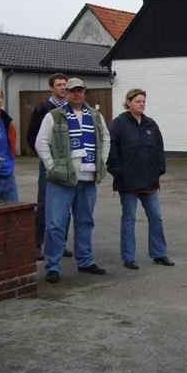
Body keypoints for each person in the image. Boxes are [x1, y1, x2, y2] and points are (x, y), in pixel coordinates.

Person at [35, 77, 111, 283]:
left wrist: (101, 163)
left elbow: (105, 139)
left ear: (84, 92)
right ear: (66, 93)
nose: (77, 94)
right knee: (55, 224)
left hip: (87, 179)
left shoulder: (95, 116)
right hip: (61, 180)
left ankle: (85, 261)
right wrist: (52, 167)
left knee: (85, 222)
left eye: (80, 90)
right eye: (72, 90)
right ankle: (53, 265)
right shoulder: (54, 116)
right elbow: (41, 143)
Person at [107, 89, 174, 269]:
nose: (142, 104)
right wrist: (118, 172)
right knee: (129, 219)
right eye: (138, 101)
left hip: (149, 181)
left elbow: (159, 149)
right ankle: (128, 257)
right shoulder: (118, 124)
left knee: (156, 217)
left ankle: (159, 253)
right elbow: (111, 151)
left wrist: (160, 169)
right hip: (127, 182)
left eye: (143, 101)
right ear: (128, 103)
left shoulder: (150, 124)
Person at [26, 73, 72, 258]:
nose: (63, 87)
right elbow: (32, 136)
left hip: (68, 163)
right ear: (51, 88)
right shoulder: (43, 108)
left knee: (66, 204)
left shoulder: (71, 108)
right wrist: (45, 157)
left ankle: (60, 243)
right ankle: (37, 244)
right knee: (45, 203)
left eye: (64, 84)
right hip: (48, 162)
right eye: (59, 85)